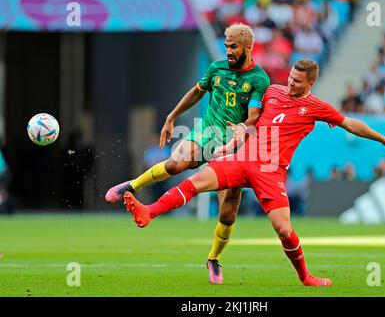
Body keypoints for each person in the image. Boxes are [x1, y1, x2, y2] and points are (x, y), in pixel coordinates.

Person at [122, 59, 385, 287]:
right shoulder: (272, 91)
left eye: (297, 81)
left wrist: (384, 140)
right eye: (291, 77)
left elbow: (351, 124)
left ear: (311, 83)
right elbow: (249, 109)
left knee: (283, 228)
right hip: (244, 157)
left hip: (271, 170)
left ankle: (305, 277)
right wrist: (235, 130)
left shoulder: (318, 107)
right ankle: (149, 211)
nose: (290, 82)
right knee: (195, 182)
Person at [105, 23, 270, 284]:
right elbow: (196, 92)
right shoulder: (216, 69)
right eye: (226, 45)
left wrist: (242, 127)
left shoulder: (259, 79)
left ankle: (213, 259)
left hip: (235, 145)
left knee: (227, 212)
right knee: (175, 164)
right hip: (208, 131)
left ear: (248, 48)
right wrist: (172, 117)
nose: (228, 50)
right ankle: (132, 185)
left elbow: (253, 117)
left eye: (233, 46)